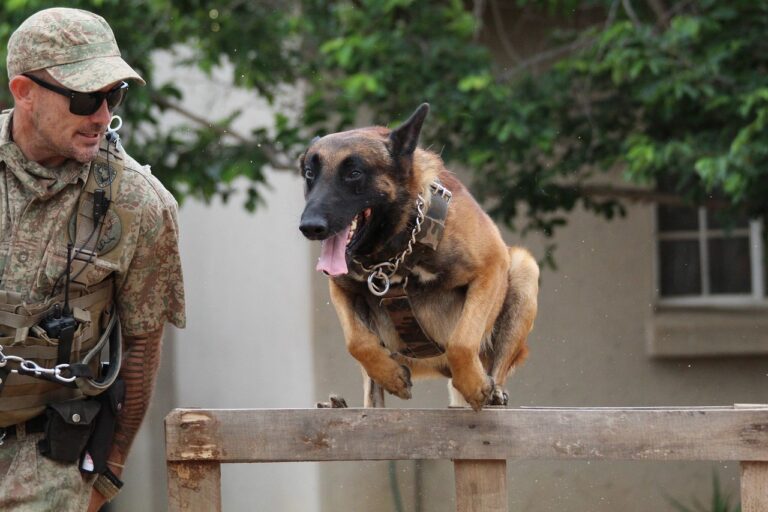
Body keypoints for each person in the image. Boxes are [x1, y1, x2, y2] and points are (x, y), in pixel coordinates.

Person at [0, 7, 185, 511]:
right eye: (85, 97)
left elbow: (143, 351)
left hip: (46, 455)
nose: (102, 115)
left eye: (113, 96)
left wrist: (108, 475)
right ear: (24, 91)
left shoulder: (140, 205)